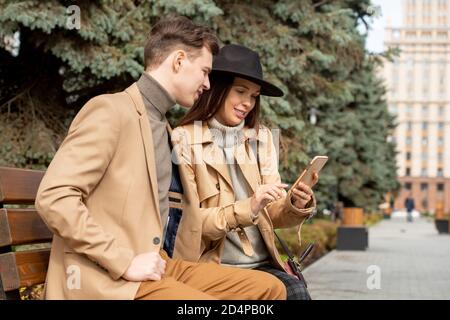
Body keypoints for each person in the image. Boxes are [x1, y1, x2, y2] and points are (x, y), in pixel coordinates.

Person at [35, 17, 286, 300]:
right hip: (107, 276)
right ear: (179, 61)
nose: (207, 83)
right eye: (204, 72)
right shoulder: (111, 111)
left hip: (159, 263)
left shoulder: (162, 125)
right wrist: (124, 261)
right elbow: (54, 196)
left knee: (270, 289)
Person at [171, 44, 318, 300]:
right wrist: (248, 207)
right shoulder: (183, 140)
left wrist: (294, 203)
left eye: (254, 95)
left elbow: (272, 214)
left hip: (261, 264)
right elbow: (190, 225)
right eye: (240, 91)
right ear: (217, 88)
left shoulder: (261, 138)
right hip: (213, 268)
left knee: (296, 292)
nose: (248, 103)